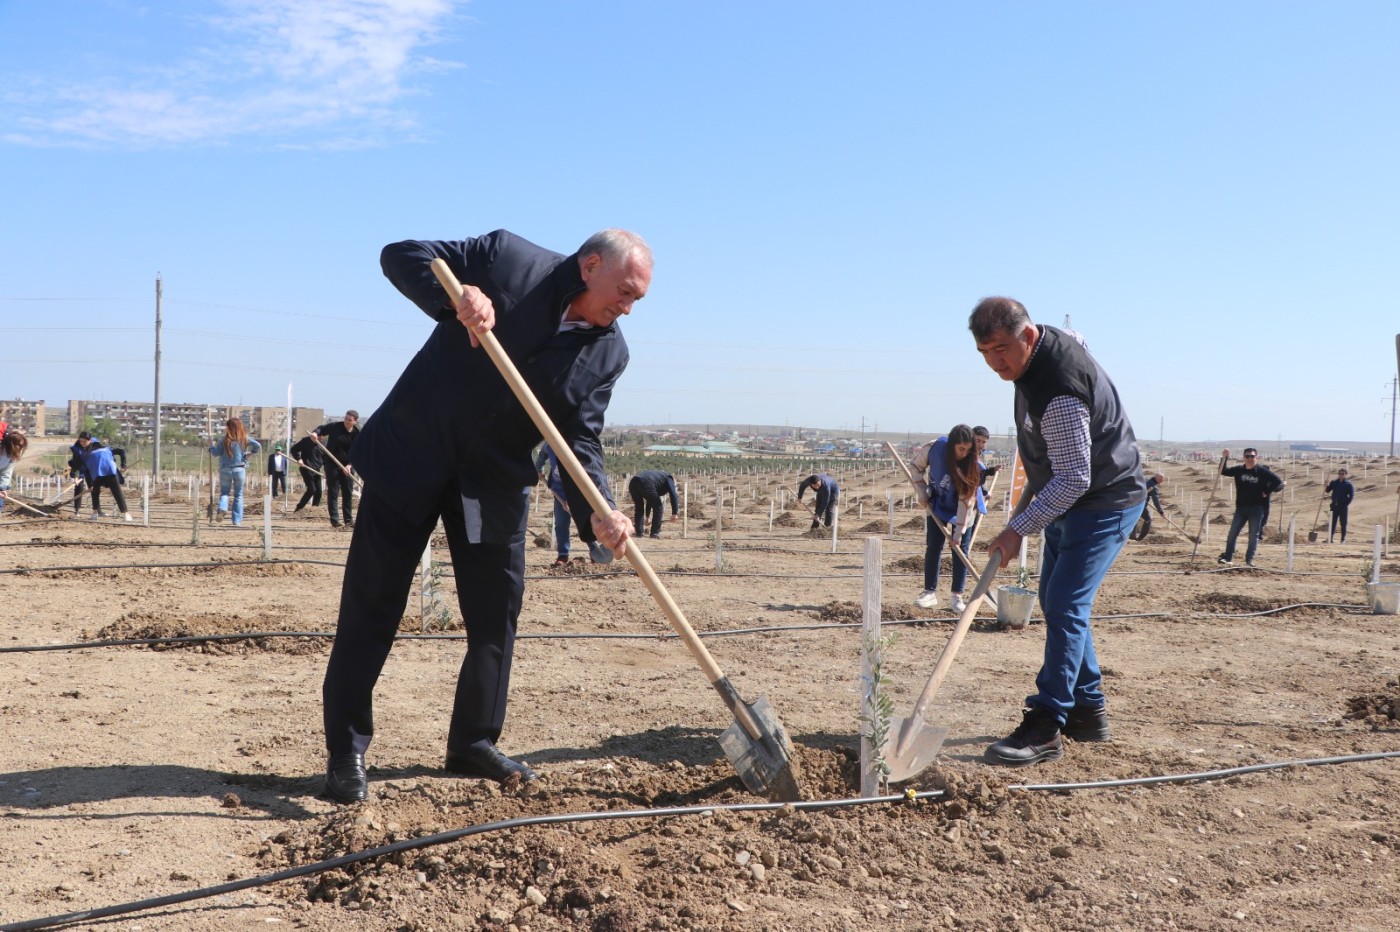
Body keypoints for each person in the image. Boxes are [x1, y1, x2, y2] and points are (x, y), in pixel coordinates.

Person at [320, 227, 648, 804]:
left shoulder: (608, 352)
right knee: (373, 604)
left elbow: (579, 438)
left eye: (635, 301)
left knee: (496, 616)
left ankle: (473, 741)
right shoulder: (508, 260)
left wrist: (602, 507)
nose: (626, 308)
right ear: (591, 264)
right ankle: (346, 750)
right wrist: (455, 296)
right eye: (623, 292)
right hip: (413, 453)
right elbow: (400, 254)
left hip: (491, 482)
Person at [971, 297, 1145, 767]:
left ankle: (1048, 723)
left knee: (1067, 601)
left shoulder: (1059, 387)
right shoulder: (1035, 355)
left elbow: (1074, 477)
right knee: (1056, 598)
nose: (995, 363)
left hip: (1105, 497)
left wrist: (1017, 530)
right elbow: (1079, 342)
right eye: (985, 353)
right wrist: (1022, 519)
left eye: (1002, 350)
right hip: (1069, 494)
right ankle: (1088, 710)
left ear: (1028, 336)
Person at [910, 425, 983, 612]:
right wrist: (922, 493)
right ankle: (929, 593)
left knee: (961, 550)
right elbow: (915, 467)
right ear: (952, 445)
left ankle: (957, 597)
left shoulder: (971, 465)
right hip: (937, 503)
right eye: (961, 449)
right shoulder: (934, 448)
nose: (964, 454)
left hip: (964, 508)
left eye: (968, 450)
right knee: (933, 547)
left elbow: (965, 504)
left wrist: (958, 533)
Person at [535, 443, 613, 565]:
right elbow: (542, 456)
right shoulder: (550, 444)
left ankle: (595, 552)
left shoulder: (576, 446)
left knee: (585, 523)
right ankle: (562, 556)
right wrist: (539, 470)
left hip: (578, 492)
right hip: (559, 492)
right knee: (561, 524)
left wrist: (572, 499)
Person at [1217, 447, 1284, 566]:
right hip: (1241, 508)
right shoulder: (1239, 470)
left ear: (1256, 457)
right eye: (1247, 456)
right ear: (1244, 458)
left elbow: (1278, 482)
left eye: (1252, 456)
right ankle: (1227, 557)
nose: (1249, 459)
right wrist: (1225, 457)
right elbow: (1223, 471)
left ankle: (1249, 560)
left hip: (1256, 509)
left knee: (1253, 535)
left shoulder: (1262, 471)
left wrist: (1267, 491)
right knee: (1233, 533)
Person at [208, 418, 262, 526]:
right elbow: (258, 445)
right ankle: (236, 521)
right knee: (238, 495)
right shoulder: (244, 438)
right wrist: (251, 453)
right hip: (239, 470)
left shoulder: (223, 440)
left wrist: (210, 445)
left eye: (226, 426)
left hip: (225, 470)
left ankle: (223, 508)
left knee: (224, 493)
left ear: (229, 427)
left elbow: (215, 453)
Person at [312, 412, 359, 528]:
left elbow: (358, 452)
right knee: (333, 493)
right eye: (346, 418)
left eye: (350, 420)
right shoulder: (335, 427)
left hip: (348, 467)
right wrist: (315, 433)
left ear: (355, 422)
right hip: (332, 465)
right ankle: (335, 521)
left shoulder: (357, 434)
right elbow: (321, 429)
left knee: (347, 493)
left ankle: (348, 520)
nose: (346, 421)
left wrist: (349, 465)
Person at [75, 432, 132, 521]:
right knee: (95, 492)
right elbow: (85, 470)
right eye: (80, 441)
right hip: (96, 474)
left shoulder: (106, 449)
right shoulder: (84, 454)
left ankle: (126, 513)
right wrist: (89, 485)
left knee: (117, 492)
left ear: (90, 440)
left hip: (110, 472)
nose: (82, 443)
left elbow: (122, 451)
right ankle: (95, 513)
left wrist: (123, 465)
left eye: (84, 441)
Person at [627, 469, 679, 539]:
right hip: (646, 483)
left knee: (639, 507)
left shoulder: (659, 479)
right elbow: (673, 494)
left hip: (633, 482)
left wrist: (647, 517)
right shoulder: (669, 478)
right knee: (659, 507)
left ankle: (639, 532)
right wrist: (674, 513)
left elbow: (650, 500)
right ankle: (655, 533)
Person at [290, 434, 325, 511]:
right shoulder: (306, 441)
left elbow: (325, 459)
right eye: (320, 436)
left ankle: (314, 509)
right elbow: (293, 449)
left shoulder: (322, 445)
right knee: (312, 489)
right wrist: (299, 459)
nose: (321, 438)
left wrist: (327, 471)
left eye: (322, 437)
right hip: (306, 468)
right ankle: (299, 508)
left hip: (316, 470)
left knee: (319, 491)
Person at [1130, 473, 1167, 541]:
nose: (1162, 481)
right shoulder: (1153, 487)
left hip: (1131, 501)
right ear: (1159, 479)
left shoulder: (1145, 479)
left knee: (1135, 518)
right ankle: (1140, 538)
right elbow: (1156, 500)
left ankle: (1132, 535)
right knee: (1148, 519)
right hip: (1139, 503)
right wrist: (1161, 511)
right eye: (1162, 479)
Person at [0, 427, 27, 515]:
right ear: (11, 444)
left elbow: (6, 474)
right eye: (20, 445)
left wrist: (2, 488)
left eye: (23, 446)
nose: (21, 448)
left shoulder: (12, 457)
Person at [1325, 467, 1355, 544]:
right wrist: (1326, 485)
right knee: (1332, 522)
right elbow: (1327, 490)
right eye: (1339, 474)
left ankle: (1343, 539)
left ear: (1345, 475)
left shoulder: (1348, 484)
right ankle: (1330, 538)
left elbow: (1351, 496)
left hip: (1343, 507)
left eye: (1342, 474)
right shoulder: (1334, 482)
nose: (1341, 475)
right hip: (1334, 506)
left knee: (1343, 523)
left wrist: (1346, 504)